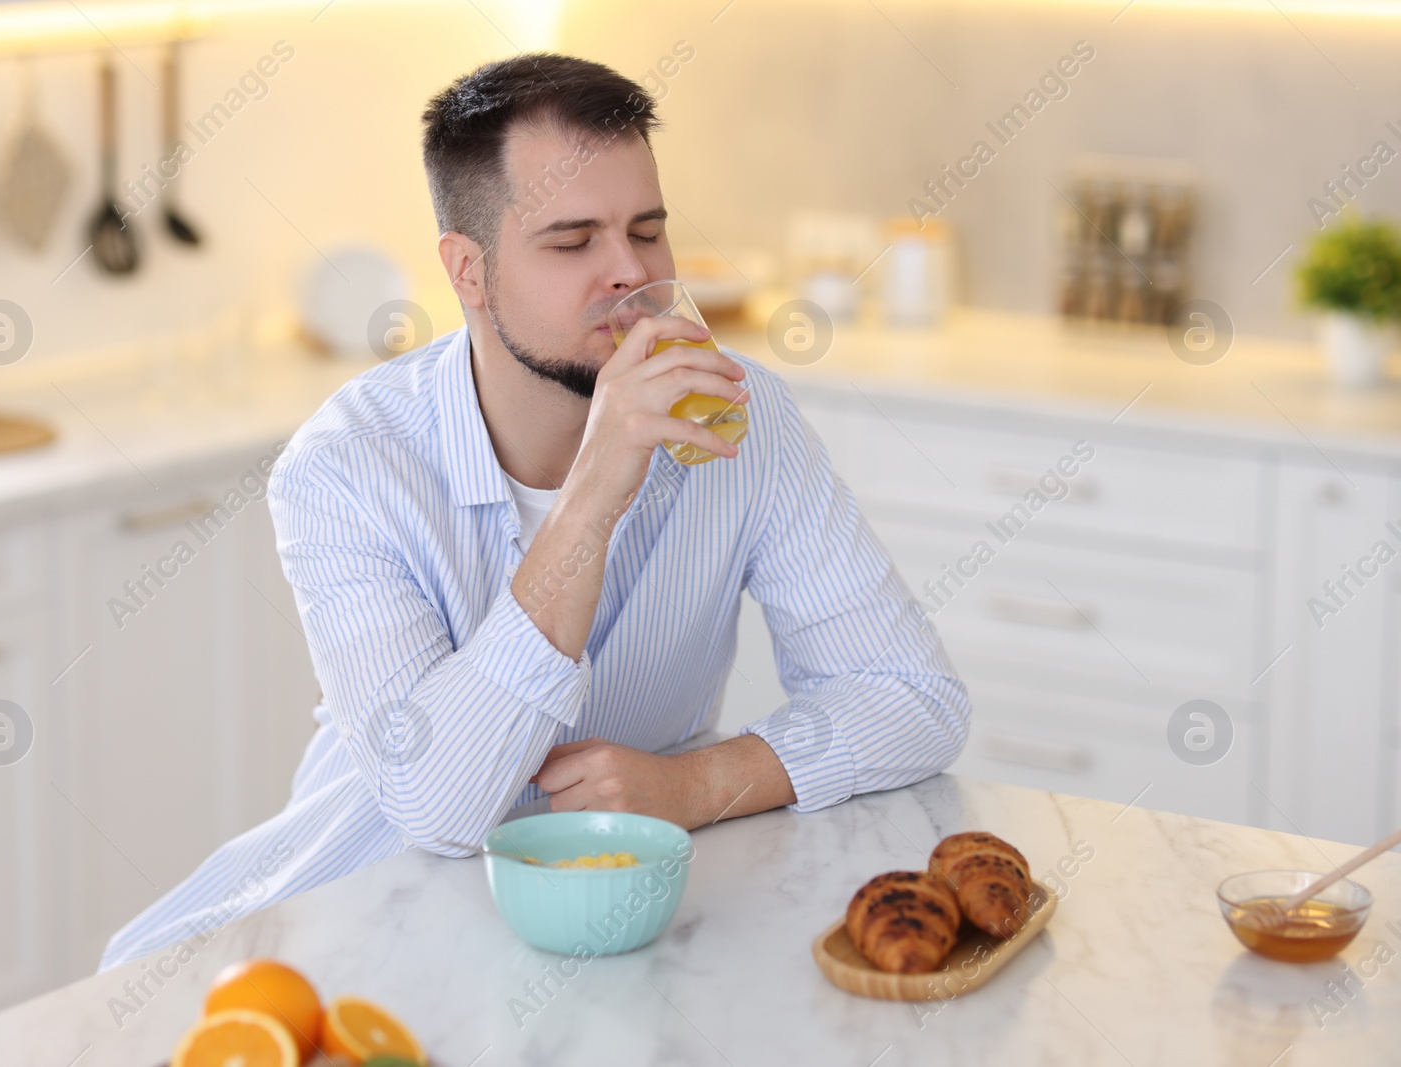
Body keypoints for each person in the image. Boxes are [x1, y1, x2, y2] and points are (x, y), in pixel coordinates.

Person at [100, 52, 968, 971]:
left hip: (608, 930)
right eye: (572, 241)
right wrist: (597, 486)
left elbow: (914, 700)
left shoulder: (743, 420)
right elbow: (438, 808)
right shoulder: (348, 466)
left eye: (647, 230)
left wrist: (691, 784)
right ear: (468, 272)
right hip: (355, 922)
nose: (629, 272)